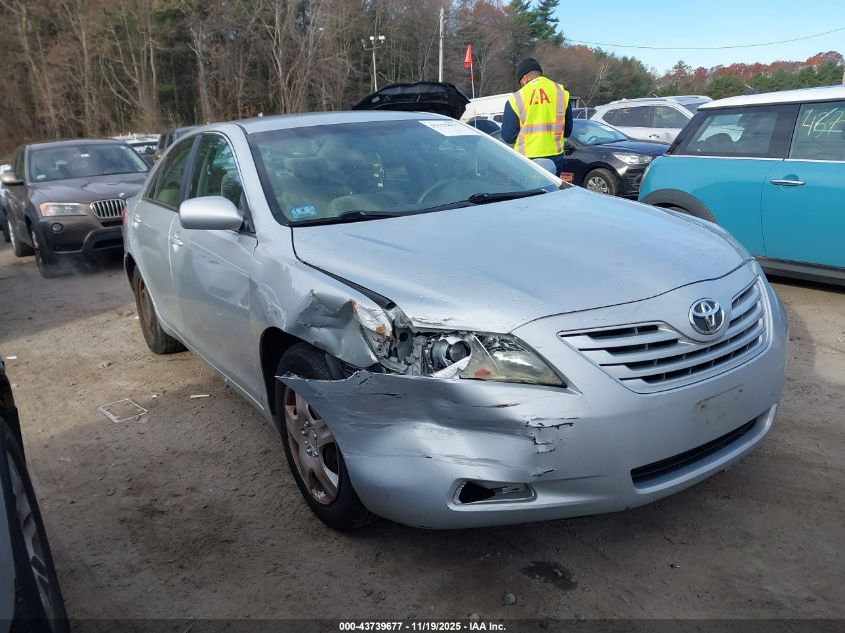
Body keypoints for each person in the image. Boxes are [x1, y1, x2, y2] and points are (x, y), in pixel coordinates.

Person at [501, 58, 573, 179]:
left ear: (524, 78)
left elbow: (508, 136)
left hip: (527, 159)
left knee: (531, 195)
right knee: (552, 193)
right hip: (555, 156)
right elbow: (567, 131)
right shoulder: (562, 93)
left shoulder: (516, 98)